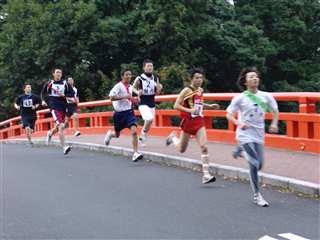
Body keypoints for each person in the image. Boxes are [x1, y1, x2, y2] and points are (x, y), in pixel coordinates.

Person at [226, 66, 279, 207]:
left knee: (259, 165)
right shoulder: (240, 98)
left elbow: (275, 110)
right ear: (245, 82)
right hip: (244, 135)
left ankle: (240, 152)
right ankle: (257, 195)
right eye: (251, 77)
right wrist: (238, 123)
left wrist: (274, 123)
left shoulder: (266, 96)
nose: (255, 78)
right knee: (254, 163)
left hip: (258, 134)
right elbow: (229, 114)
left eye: (256, 76)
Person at [166, 68, 220, 184]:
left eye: (201, 78)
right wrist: (190, 110)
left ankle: (206, 175)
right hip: (188, 122)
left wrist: (209, 106)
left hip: (199, 121)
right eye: (197, 78)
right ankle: (173, 138)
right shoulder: (186, 90)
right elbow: (176, 105)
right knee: (181, 149)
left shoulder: (200, 90)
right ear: (191, 79)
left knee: (204, 146)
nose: (199, 80)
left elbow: (199, 104)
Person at [104, 69, 143, 162]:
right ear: (122, 76)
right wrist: (125, 96)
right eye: (127, 75)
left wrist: (136, 101)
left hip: (129, 112)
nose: (129, 76)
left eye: (130, 75)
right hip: (119, 114)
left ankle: (135, 153)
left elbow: (130, 100)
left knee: (134, 131)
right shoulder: (118, 86)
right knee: (117, 135)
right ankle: (110, 135)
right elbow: (111, 97)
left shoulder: (130, 87)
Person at [41, 68, 75, 155]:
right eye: (57, 72)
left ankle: (50, 133)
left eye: (60, 72)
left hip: (63, 107)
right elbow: (43, 93)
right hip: (54, 106)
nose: (59, 74)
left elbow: (72, 94)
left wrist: (65, 95)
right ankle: (64, 147)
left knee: (59, 127)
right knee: (61, 126)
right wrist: (44, 101)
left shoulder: (65, 84)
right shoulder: (49, 83)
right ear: (53, 74)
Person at [132, 59, 162, 146]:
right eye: (148, 66)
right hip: (142, 102)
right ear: (144, 68)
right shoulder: (139, 78)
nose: (150, 68)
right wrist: (137, 92)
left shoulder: (156, 78)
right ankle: (143, 134)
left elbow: (157, 92)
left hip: (152, 101)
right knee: (149, 119)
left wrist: (159, 88)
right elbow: (133, 88)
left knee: (149, 121)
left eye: (151, 66)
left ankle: (142, 136)